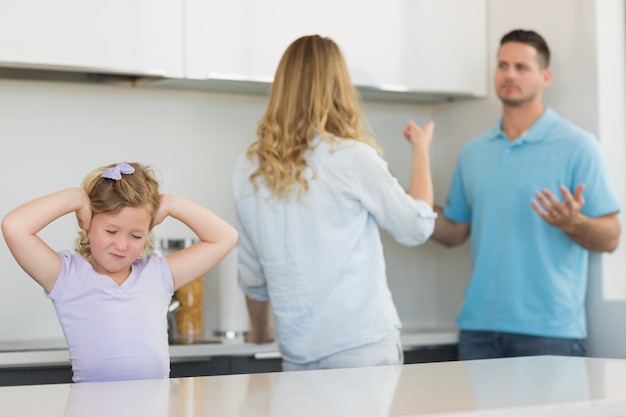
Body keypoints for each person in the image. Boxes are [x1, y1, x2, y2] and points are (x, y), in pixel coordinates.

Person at [232, 34, 437, 371]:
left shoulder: (250, 167)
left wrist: (258, 332)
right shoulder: (352, 157)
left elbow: (253, 274)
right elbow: (416, 227)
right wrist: (421, 150)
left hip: (297, 351)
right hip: (361, 348)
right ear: (339, 87)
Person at [431, 29, 621, 360]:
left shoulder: (578, 146)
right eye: (502, 65)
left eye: (521, 67)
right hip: (479, 332)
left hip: (550, 335)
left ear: (545, 77)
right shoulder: (474, 152)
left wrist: (573, 222)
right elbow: (454, 231)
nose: (509, 74)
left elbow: (611, 237)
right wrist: (402, 203)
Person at [1, 162, 238, 382]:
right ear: (89, 223)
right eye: (111, 231)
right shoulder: (67, 276)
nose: (122, 245)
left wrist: (172, 203)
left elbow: (225, 238)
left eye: (136, 235)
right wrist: (77, 197)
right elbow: (14, 227)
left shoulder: (158, 275)